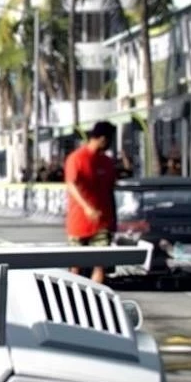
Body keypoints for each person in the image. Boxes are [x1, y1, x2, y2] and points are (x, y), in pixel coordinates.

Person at [64, 121, 118, 284]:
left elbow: (110, 191)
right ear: (102, 139)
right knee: (76, 266)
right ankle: (74, 295)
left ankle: (94, 295)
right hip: (78, 222)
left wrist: (114, 221)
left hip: (102, 222)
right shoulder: (77, 158)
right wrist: (87, 207)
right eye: (110, 140)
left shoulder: (107, 162)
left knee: (100, 264)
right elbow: (71, 185)